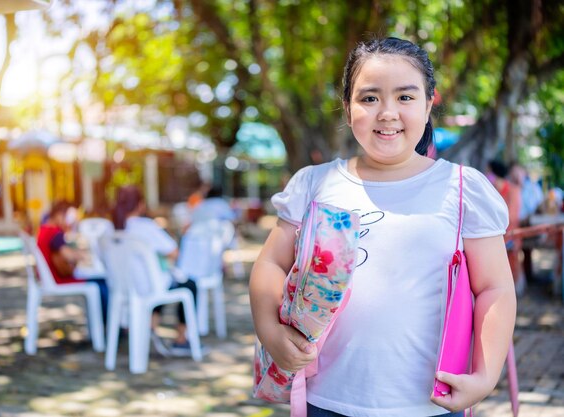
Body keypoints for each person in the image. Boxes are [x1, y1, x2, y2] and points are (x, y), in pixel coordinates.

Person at [249, 37, 516, 417]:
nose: (387, 112)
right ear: (347, 107)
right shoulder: (313, 184)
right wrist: (270, 332)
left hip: (430, 405)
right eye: (370, 98)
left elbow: (495, 288)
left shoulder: (462, 189)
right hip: (325, 400)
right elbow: (271, 264)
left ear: (428, 104)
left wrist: (486, 376)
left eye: (405, 97)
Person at [114, 185, 200, 356]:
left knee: (159, 280)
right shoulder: (145, 226)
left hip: (121, 288)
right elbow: (174, 252)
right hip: (149, 287)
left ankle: (150, 326)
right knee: (188, 285)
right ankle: (181, 339)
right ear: (140, 204)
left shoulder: (113, 228)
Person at [37, 201, 108, 324]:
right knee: (100, 284)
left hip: (48, 277)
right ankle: (107, 323)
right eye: (67, 218)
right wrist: (83, 255)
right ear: (59, 215)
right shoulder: (54, 232)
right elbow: (68, 255)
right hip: (57, 278)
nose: (68, 222)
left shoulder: (44, 229)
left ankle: (98, 325)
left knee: (96, 281)